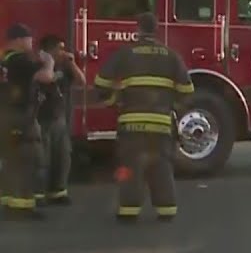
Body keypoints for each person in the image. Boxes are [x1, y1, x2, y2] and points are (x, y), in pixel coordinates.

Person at [93, 13, 194, 223]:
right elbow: (187, 91)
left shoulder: (125, 53)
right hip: (161, 124)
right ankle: (167, 210)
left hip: (131, 124)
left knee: (131, 167)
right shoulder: (171, 55)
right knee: (162, 166)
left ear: (137, 29)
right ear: (156, 29)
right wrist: (171, 106)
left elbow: (101, 83)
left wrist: (113, 100)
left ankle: (128, 211)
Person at [1, 24, 55, 219]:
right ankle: (22, 208)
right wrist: (49, 62)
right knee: (27, 159)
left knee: (11, 160)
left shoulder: (4, 59)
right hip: (21, 117)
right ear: (18, 40)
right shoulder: (20, 60)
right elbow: (46, 77)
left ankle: (9, 203)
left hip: (6, 114)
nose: (31, 42)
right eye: (28, 38)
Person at [35, 34, 84, 205]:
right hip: (41, 118)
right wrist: (48, 62)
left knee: (62, 156)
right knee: (42, 158)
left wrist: (72, 63)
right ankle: (38, 194)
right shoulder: (38, 66)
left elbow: (81, 81)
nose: (63, 52)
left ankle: (58, 192)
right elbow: (46, 78)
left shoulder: (65, 67)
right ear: (48, 50)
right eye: (59, 48)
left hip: (59, 118)